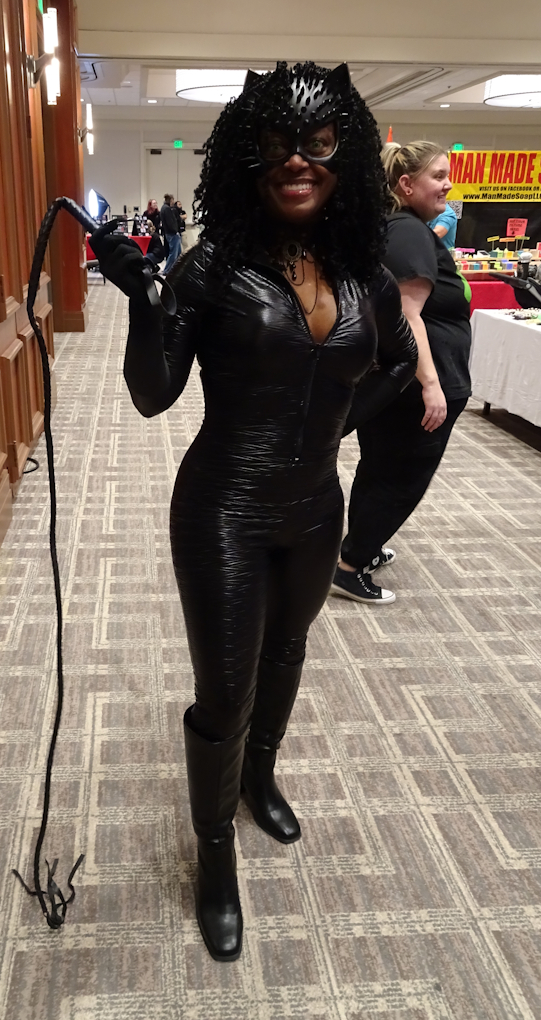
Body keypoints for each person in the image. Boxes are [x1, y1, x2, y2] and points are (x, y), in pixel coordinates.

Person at [91, 62, 417, 963]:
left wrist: (338, 425)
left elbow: (396, 360)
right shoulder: (212, 267)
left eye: (319, 144)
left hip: (315, 506)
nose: (298, 161)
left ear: (346, 157)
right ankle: (213, 856)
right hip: (223, 508)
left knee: (287, 653)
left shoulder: (363, 272)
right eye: (279, 144)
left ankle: (258, 780)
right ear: (250, 154)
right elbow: (153, 395)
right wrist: (143, 302)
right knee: (225, 690)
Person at [332, 141, 471, 605]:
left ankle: (360, 548)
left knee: (381, 468)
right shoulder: (409, 231)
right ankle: (350, 567)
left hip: (398, 381)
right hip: (418, 384)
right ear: (406, 184)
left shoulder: (395, 226)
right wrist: (431, 384)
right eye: (438, 176)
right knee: (402, 477)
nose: (448, 185)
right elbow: (408, 315)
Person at [161, 193, 182, 273]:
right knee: (173, 254)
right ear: (170, 200)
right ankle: (167, 270)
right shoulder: (167, 209)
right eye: (173, 200)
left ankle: (177, 269)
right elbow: (170, 223)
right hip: (172, 234)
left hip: (169, 233)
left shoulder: (163, 208)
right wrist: (175, 231)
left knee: (178, 253)